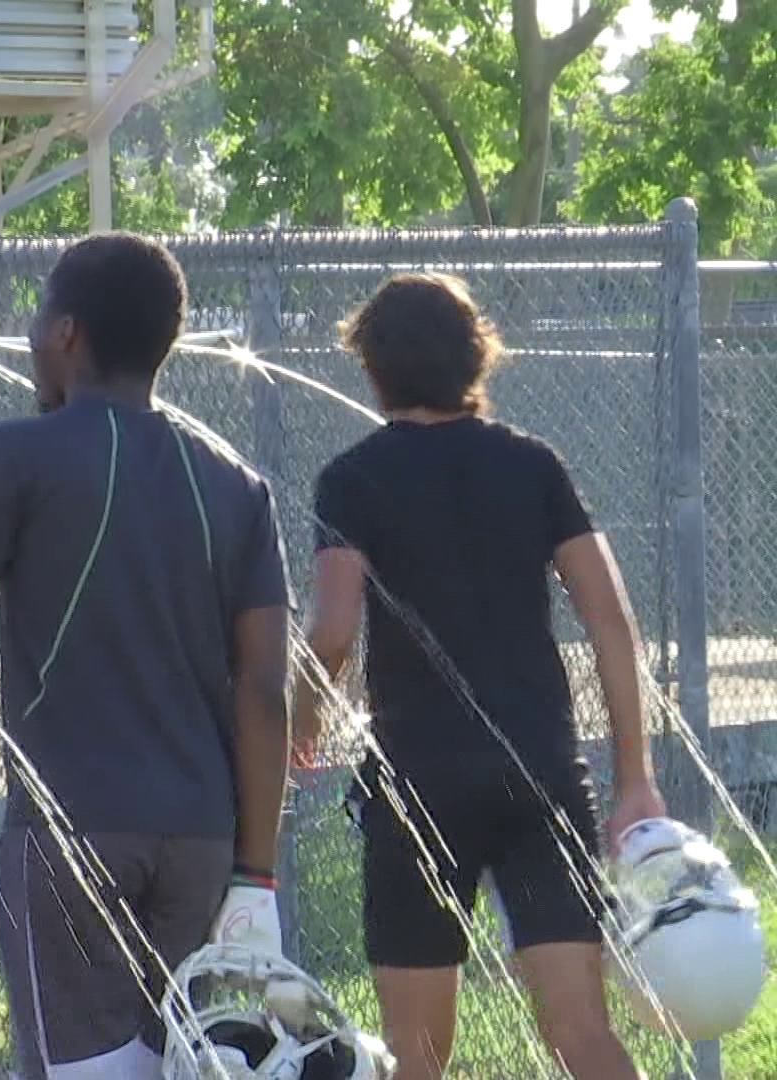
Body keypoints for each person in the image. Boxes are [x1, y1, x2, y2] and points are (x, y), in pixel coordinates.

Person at [0, 231, 293, 1079]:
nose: (29, 336)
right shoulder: (235, 483)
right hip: (202, 843)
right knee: (187, 1068)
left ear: (67, 332)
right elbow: (264, 689)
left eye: (38, 316)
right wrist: (256, 877)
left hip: (69, 842)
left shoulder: (14, 454)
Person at [293, 271, 666, 1080]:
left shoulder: (353, 478)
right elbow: (609, 617)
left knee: (418, 1057)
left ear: (373, 367)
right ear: (477, 358)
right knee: (583, 1036)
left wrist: (301, 717)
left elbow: (329, 632)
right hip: (539, 770)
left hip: (417, 787)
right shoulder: (533, 465)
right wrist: (634, 775)